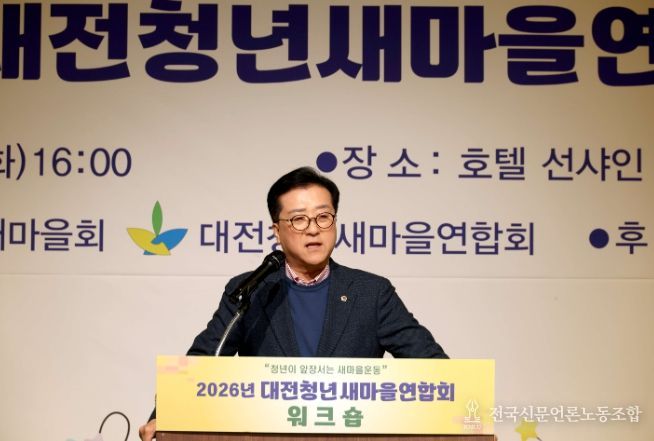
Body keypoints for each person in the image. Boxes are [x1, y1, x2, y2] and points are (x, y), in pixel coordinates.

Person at [139, 166, 448, 440]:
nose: (313, 229)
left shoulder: (372, 292)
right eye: (299, 219)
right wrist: (163, 415)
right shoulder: (251, 289)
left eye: (323, 217)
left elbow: (432, 365)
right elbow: (204, 359)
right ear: (277, 231)